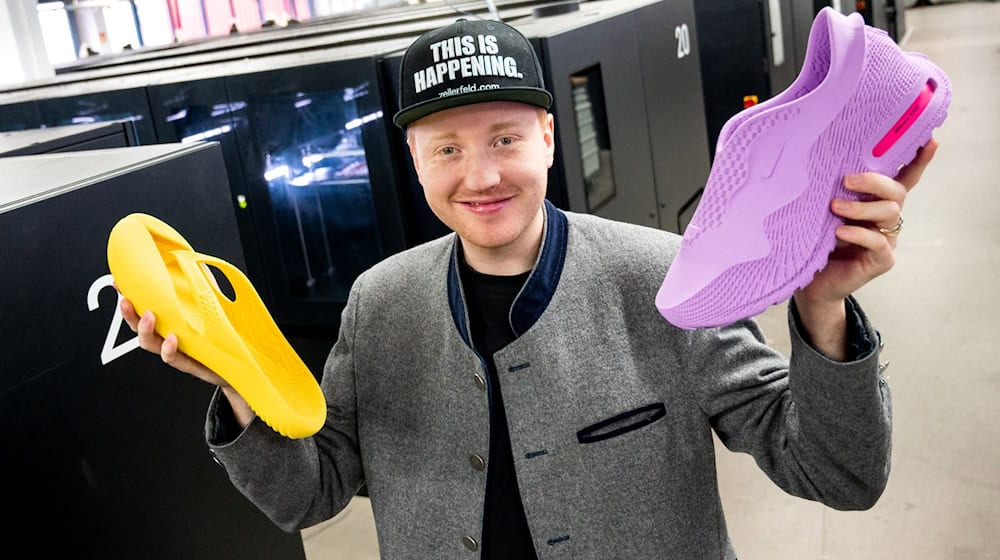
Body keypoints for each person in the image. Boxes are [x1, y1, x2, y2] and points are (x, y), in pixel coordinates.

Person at [120, 17, 937, 560]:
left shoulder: (660, 277)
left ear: (549, 136)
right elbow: (313, 492)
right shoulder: (379, 305)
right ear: (412, 161)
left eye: (506, 138)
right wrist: (237, 384)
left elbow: (839, 476)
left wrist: (822, 310)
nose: (480, 176)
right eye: (445, 149)